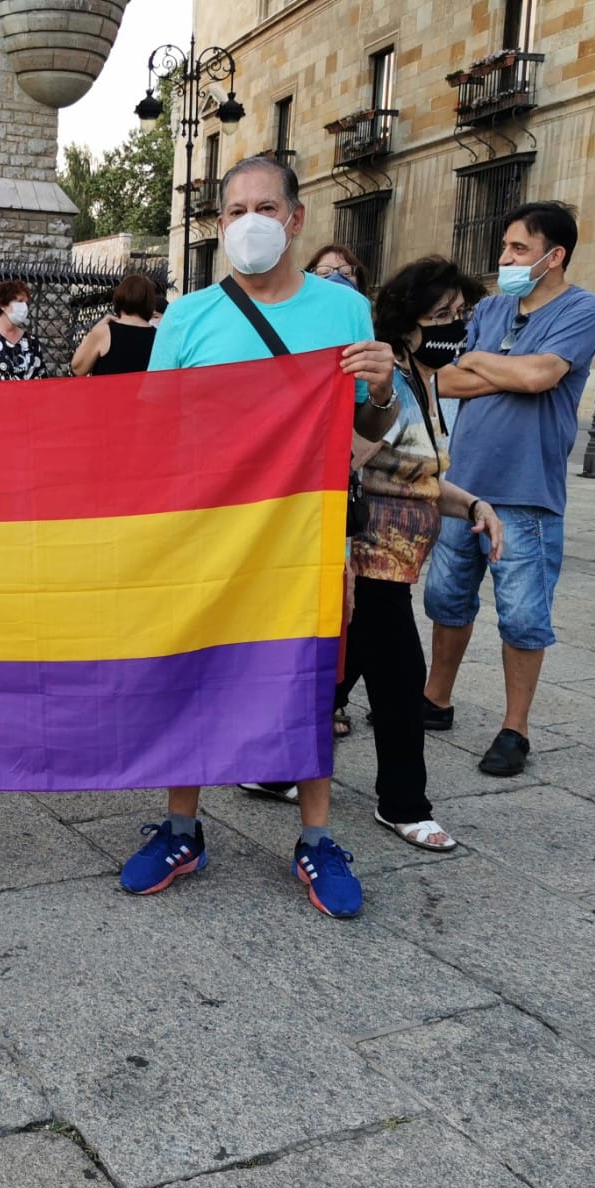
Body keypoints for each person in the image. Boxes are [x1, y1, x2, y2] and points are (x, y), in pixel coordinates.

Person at [123, 155, 398, 916]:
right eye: (236, 209)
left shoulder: (343, 311)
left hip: (304, 534)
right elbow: (151, 428)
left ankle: (315, 838)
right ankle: (183, 826)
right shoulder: (188, 318)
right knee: (193, 668)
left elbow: (362, 431)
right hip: (206, 531)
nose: (251, 222)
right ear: (218, 226)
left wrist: (382, 387)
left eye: (266, 208)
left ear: (296, 219)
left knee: (307, 676)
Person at [423, 202, 595, 777]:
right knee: (446, 600)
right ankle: (435, 700)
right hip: (463, 480)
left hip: (526, 491)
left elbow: (540, 376)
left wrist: (485, 363)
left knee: (524, 616)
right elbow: (442, 379)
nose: (505, 259)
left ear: (556, 256)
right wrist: (500, 369)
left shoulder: (584, 308)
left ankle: (514, 728)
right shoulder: (492, 308)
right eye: (505, 247)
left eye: (519, 250)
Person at [337, 257, 504, 851]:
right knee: (402, 681)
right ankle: (404, 804)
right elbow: (346, 463)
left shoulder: (425, 377)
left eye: (459, 315)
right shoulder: (389, 383)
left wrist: (474, 504)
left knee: (338, 675)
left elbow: (421, 478)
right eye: (441, 316)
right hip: (370, 558)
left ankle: (276, 768)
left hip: (399, 560)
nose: (454, 327)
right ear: (406, 320)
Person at [70, 273, 159, 376]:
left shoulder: (104, 332)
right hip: (143, 391)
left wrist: (94, 330)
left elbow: (78, 368)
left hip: (108, 391)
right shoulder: (158, 336)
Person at [0, 280, 48, 380]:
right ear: (3, 304)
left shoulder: (31, 341)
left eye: (26, 303)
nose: (24, 307)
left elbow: (42, 379)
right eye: (20, 301)